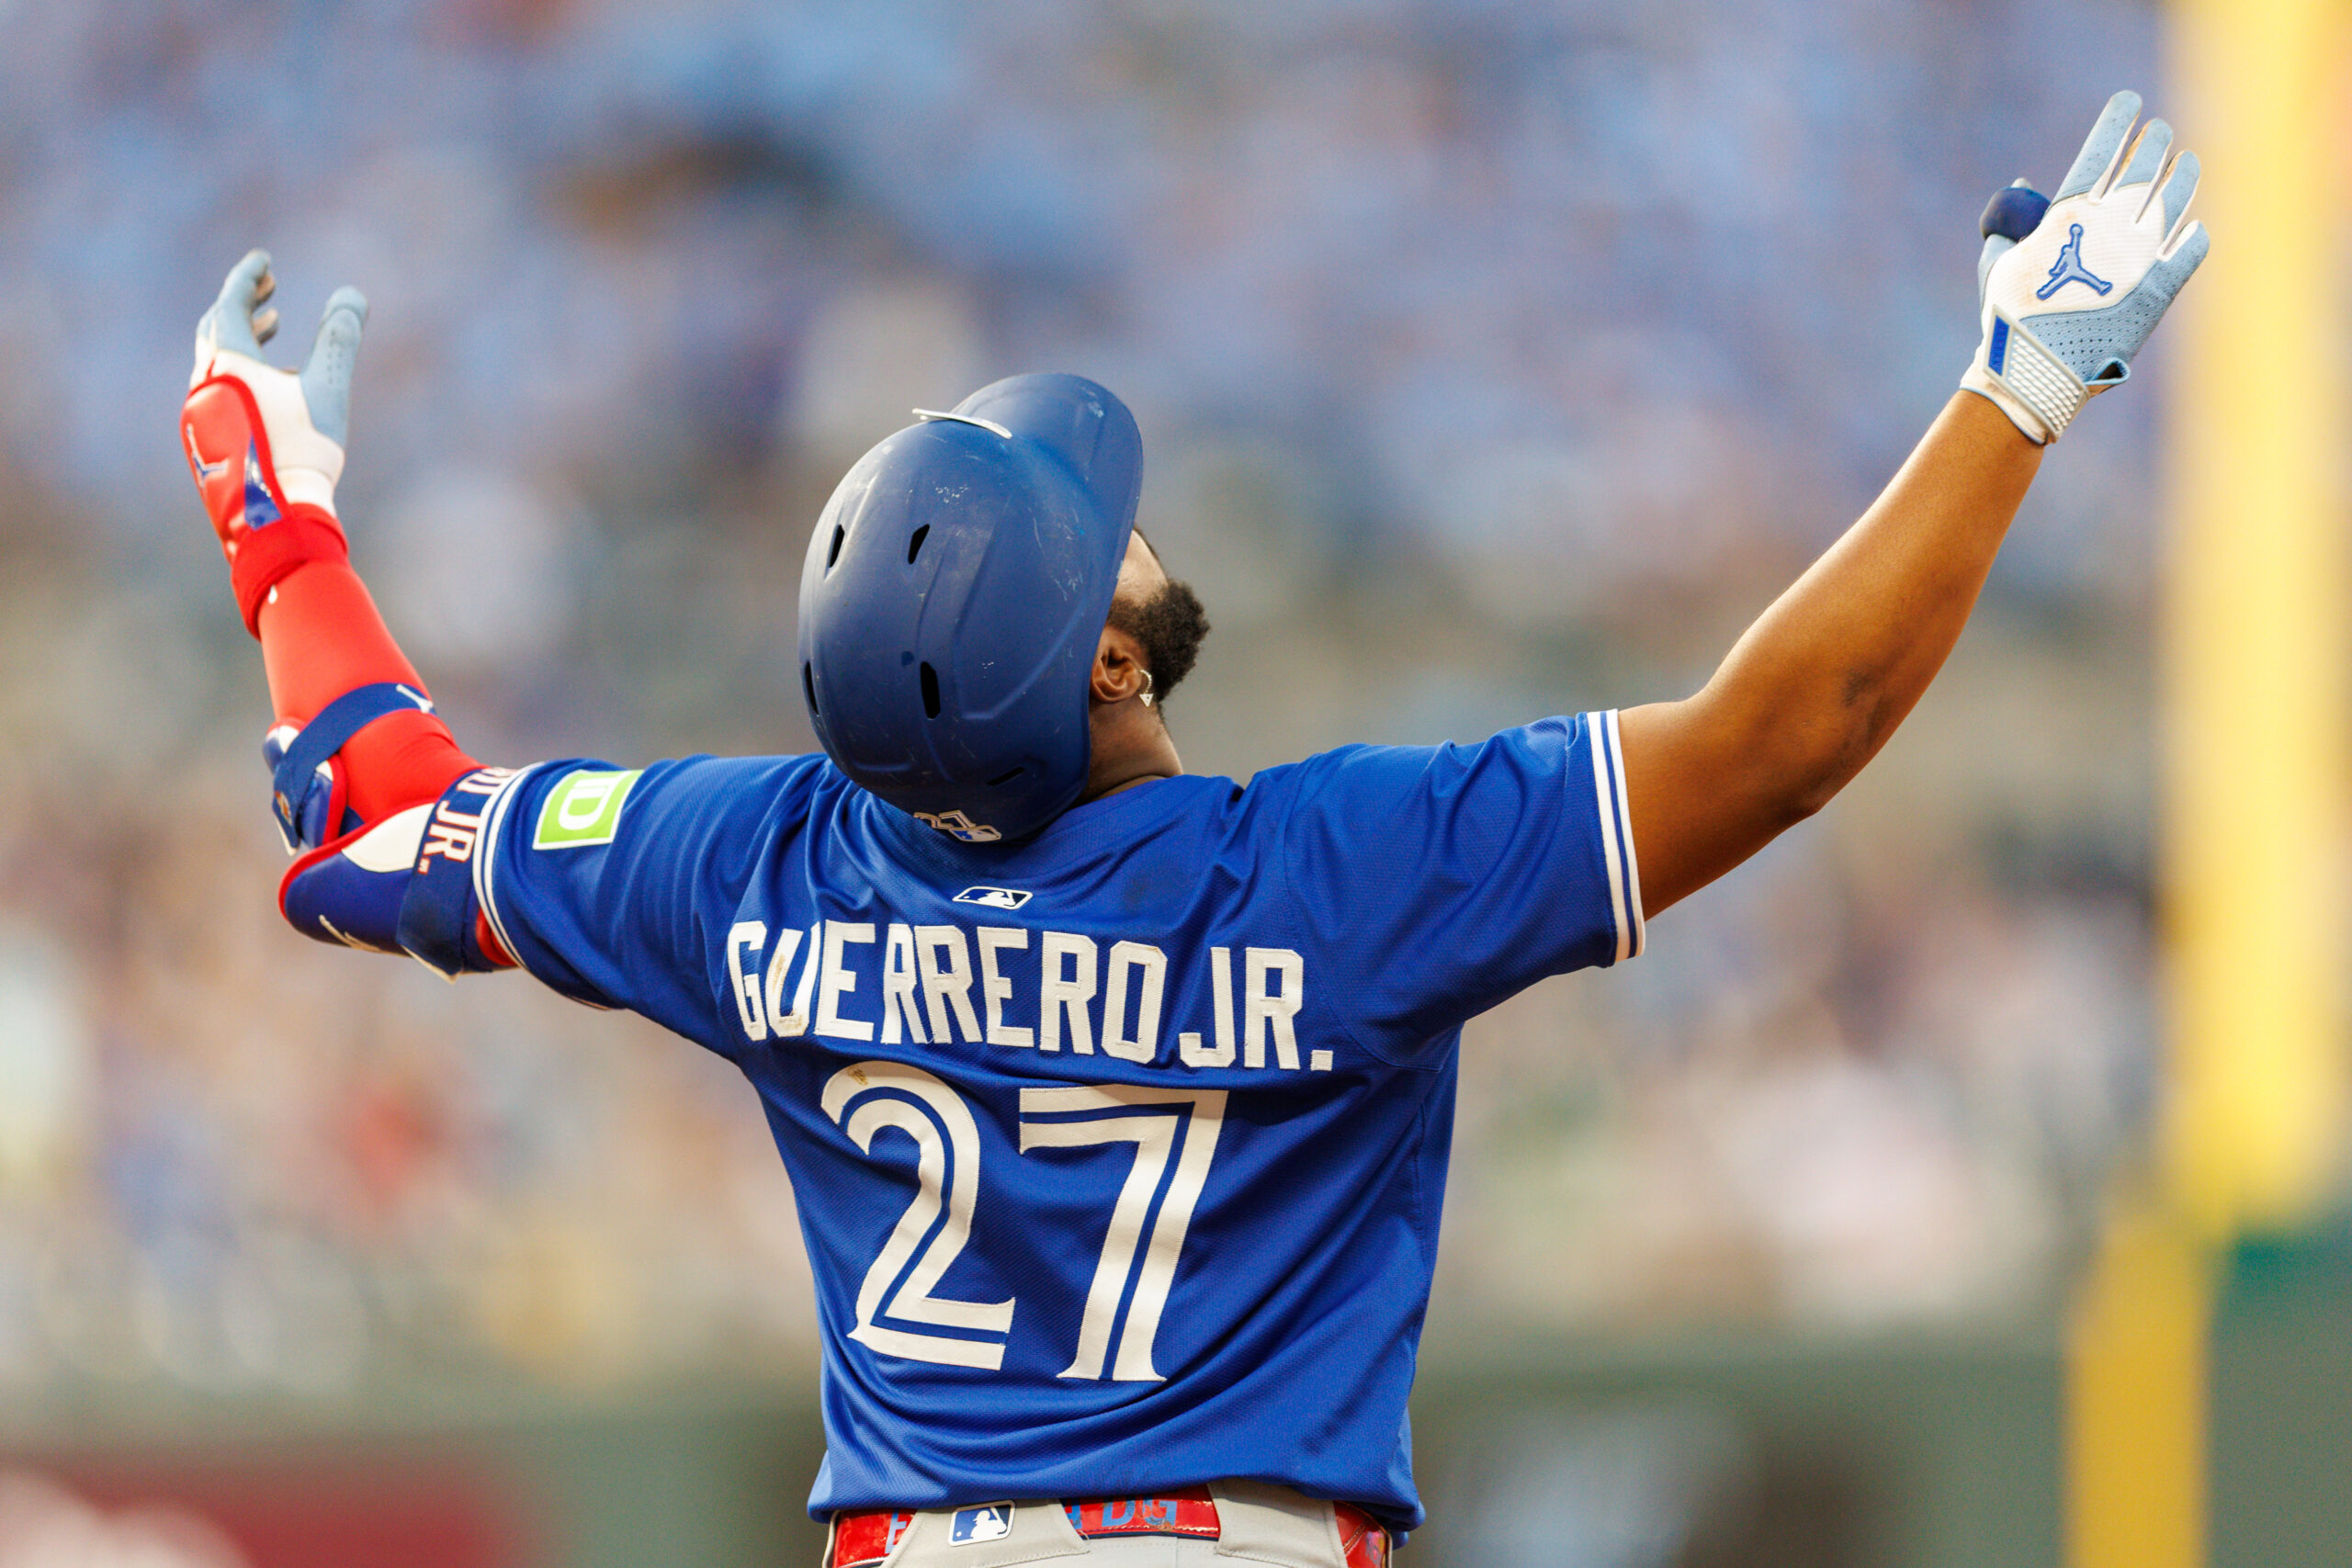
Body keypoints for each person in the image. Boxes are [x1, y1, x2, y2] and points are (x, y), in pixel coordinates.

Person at [178, 93, 2203, 1566]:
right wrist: (2011, 393)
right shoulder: (1332, 878)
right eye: (1104, 549)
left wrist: (278, 531)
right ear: (1110, 675)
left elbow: (365, 815)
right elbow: (1792, 728)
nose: (1132, 536)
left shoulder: (749, 864)